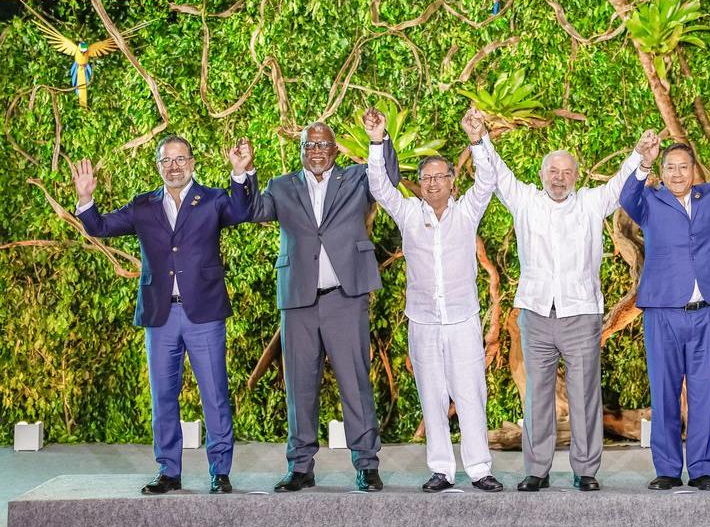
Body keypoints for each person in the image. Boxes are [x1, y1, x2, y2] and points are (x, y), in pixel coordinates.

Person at [72, 136, 256, 495]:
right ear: (158, 166)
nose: (174, 166)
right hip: (161, 317)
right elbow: (100, 227)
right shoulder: (143, 205)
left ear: (192, 162)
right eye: (166, 161)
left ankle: (220, 471)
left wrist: (240, 173)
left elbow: (243, 211)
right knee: (163, 397)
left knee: (215, 395)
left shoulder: (214, 199)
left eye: (180, 159)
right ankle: (168, 471)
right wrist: (85, 199)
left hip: (204, 313)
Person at [484, 128, 658, 492]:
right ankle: (536, 469)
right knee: (537, 397)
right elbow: (498, 173)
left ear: (576, 177)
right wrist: (479, 139)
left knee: (584, 395)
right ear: (542, 175)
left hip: (581, 314)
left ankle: (586, 470)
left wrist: (641, 157)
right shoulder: (525, 201)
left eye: (566, 172)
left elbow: (619, 185)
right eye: (553, 171)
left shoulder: (591, 203)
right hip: (535, 312)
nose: (559, 178)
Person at [250, 116, 399, 493]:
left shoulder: (357, 179)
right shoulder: (281, 186)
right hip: (298, 302)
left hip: (344, 299)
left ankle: (366, 463)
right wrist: (244, 172)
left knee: (355, 383)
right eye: (309, 145)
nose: (316, 151)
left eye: (322, 145)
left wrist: (378, 139)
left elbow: (390, 178)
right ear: (301, 151)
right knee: (299, 387)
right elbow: (254, 211)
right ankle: (300, 467)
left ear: (335, 150)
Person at [365, 107, 503, 493]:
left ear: (452, 182)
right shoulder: (408, 213)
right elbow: (379, 187)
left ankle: (479, 469)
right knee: (432, 395)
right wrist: (377, 141)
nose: (433, 184)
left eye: (440, 177)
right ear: (420, 184)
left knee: (471, 394)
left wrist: (477, 140)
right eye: (426, 178)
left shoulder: (467, 212)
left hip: (462, 320)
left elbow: (488, 180)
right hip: (423, 322)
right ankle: (441, 469)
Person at [620, 130, 710, 491]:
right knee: (664, 391)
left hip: (705, 311)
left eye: (684, 167)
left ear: (694, 170)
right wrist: (644, 160)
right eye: (671, 167)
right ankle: (667, 468)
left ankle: (701, 469)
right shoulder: (649, 201)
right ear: (662, 171)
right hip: (662, 311)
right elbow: (626, 195)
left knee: (703, 393)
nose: (678, 173)